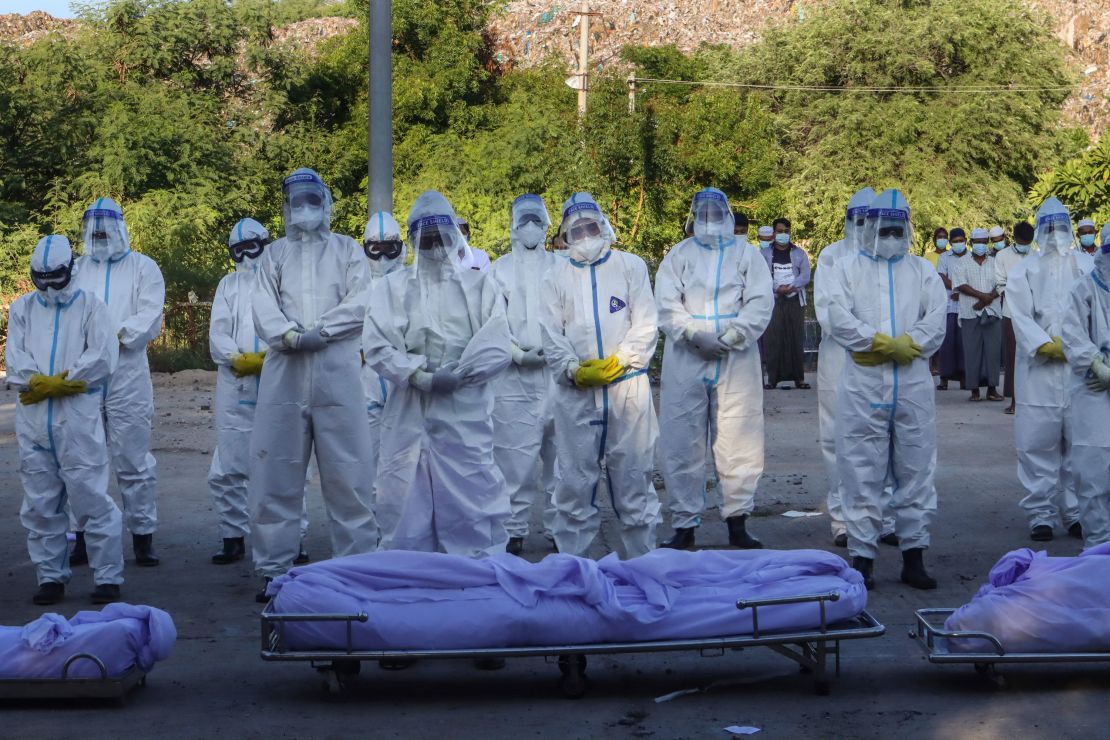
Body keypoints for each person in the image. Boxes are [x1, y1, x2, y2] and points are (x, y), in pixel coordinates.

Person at [250, 168, 380, 601]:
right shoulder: (273, 255)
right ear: (286, 208)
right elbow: (262, 305)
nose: (304, 208)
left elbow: (363, 300)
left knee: (350, 475)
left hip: (337, 372)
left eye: (312, 200)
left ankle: (357, 568)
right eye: (297, 201)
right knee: (277, 473)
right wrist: (288, 335)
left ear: (326, 203)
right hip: (284, 376)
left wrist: (321, 330)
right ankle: (274, 569)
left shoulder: (347, 250)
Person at [364, 190, 512, 556]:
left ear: (455, 236)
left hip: (464, 412)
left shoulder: (480, 286)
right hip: (408, 413)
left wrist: (461, 376)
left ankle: (475, 583)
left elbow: (496, 345)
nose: (434, 246)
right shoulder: (392, 289)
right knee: (404, 504)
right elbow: (379, 346)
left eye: (441, 237)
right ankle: (410, 585)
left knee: (471, 498)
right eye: (426, 239)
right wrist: (420, 377)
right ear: (412, 240)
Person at [826, 189, 947, 590]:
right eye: (884, 228)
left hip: (912, 383)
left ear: (908, 228)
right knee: (861, 469)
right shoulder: (848, 269)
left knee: (916, 470)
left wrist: (907, 342)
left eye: (898, 229)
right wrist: (877, 342)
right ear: (870, 228)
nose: (891, 235)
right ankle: (863, 558)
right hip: (863, 385)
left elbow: (936, 320)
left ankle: (914, 555)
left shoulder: (921, 271)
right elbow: (836, 315)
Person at [541, 193, 661, 558]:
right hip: (575, 394)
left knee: (634, 477)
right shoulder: (554, 275)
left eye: (590, 226)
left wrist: (620, 361)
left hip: (627, 390)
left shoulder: (631, 266)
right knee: (574, 481)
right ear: (564, 235)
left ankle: (643, 565)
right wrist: (572, 370)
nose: (585, 234)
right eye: (575, 230)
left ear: (603, 225)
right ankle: (573, 568)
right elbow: (550, 333)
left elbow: (645, 324)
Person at [7, 235, 124, 605]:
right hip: (35, 419)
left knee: (90, 498)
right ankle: (51, 577)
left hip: (77, 417)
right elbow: (16, 357)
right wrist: (37, 379)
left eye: (55, 277)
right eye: (41, 279)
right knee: (41, 503)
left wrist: (66, 379)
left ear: (70, 270)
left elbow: (103, 354)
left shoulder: (92, 306)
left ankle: (107, 577)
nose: (49, 287)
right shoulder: (22, 308)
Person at [655, 188, 773, 550]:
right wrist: (692, 333)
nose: (708, 220)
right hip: (686, 356)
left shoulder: (747, 255)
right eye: (702, 214)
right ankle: (685, 525)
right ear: (693, 217)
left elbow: (759, 301)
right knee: (681, 439)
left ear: (728, 215)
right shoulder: (679, 255)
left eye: (715, 213)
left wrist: (734, 334)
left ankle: (737, 520)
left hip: (735, 357)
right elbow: (666, 302)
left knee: (739, 437)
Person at [207, 219, 311, 566]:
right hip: (236, 383)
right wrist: (237, 358)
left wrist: (272, 357)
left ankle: (293, 539)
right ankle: (232, 536)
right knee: (228, 464)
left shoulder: (285, 283)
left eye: (253, 246)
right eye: (239, 250)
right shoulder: (228, 285)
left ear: (267, 245)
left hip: (278, 378)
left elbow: (295, 327)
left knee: (284, 461)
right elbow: (218, 331)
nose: (247, 256)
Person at [71, 197, 165, 567]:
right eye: (93, 230)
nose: (99, 237)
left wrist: (112, 338)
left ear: (120, 229)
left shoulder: (143, 267)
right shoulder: (77, 269)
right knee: (81, 458)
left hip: (127, 372)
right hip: (86, 373)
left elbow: (149, 315)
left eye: (105, 229)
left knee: (133, 457)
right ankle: (82, 536)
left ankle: (142, 536)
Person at [815, 188, 898, 549]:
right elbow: (828, 311)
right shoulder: (831, 257)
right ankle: (843, 520)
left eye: (870, 220)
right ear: (848, 220)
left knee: (884, 438)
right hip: (840, 357)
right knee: (838, 439)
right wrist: (867, 340)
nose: (863, 226)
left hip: (883, 360)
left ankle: (887, 517)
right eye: (857, 219)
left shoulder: (888, 260)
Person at [1007, 196, 1090, 542]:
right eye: (1050, 227)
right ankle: (1040, 514)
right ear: (1041, 229)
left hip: (1078, 372)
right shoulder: (1024, 270)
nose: (1056, 234)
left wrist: (1080, 347)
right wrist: (1044, 344)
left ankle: (1075, 512)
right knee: (1036, 443)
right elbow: (1020, 316)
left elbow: (1097, 313)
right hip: (1038, 371)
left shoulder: (1087, 266)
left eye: (1061, 226)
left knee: (1079, 444)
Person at [489, 194, 558, 556]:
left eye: (537, 220)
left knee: (561, 455)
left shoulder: (561, 266)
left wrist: (555, 349)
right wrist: (515, 351)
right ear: (514, 225)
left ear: (546, 225)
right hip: (513, 379)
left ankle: (560, 527)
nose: (531, 227)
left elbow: (570, 314)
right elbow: (492, 317)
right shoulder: (498, 269)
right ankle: (513, 529)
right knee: (513, 457)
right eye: (524, 220)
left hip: (557, 374)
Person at [1061, 223, 1110, 548]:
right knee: (1093, 473)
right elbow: (1072, 332)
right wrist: (1096, 363)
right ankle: (1099, 551)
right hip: (1093, 392)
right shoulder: (1083, 289)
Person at [361, 211, 409, 508]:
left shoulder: (411, 282)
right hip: (364, 381)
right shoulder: (356, 283)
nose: (381, 254)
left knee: (404, 458)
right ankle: (372, 528)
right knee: (368, 456)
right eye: (374, 247)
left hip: (401, 378)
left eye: (388, 246)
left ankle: (401, 526)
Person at [951, 228, 1004, 402]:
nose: (980, 245)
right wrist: (981, 297)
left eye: (983, 242)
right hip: (970, 311)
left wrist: (988, 298)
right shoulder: (962, 262)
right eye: (977, 242)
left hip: (993, 311)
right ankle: (974, 390)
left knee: (993, 352)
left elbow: (1002, 283)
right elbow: (960, 284)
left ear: (987, 242)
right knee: (972, 352)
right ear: (971, 243)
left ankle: (992, 389)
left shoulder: (995, 261)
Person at [762, 218, 812, 390]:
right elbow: (761, 276)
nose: (783, 234)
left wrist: (791, 287)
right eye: (779, 231)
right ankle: (772, 379)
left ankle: (799, 378)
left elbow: (805, 275)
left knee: (796, 339)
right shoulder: (765, 254)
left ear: (790, 232)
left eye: (786, 231)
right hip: (774, 301)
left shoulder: (799, 253)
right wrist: (777, 288)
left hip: (795, 300)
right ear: (774, 233)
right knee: (773, 339)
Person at [996, 222, 1035, 414]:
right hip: (1010, 312)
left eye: (1028, 243)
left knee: (1032, 356)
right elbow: (999, 284)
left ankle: (1031, 399)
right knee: (1012, 357)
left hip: (1033, 314)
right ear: (1015, 238)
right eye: (1022, 242)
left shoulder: (1036, 256)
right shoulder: (1002, 256)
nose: (1025, 245)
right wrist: (1016, 293)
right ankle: (1013, 400)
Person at [936, 227, 967, 390]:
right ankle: (944, 378)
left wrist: (962, 293)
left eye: (961, 240)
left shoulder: (971, 257)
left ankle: (963, 378)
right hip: (948, 306)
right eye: (954, 241)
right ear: (950, 243)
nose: (958, 244)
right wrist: (956, 289)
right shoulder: (944, 257)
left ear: (966, 241)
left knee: (963, 344)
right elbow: (941, 276)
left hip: (966, 306)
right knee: (946, 343)